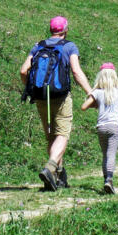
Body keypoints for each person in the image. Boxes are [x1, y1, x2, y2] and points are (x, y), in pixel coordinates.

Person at [20, 16, 92, 191]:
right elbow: (76, 71)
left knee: (51, 136)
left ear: (51, 30)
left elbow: (23, 70)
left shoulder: (39, 45)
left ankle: (58, 176)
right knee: (62, 134)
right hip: (60, 97)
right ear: (65, 30)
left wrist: (31, 89)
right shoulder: (69, 46)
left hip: (40, 96)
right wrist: (90, 92)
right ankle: (51, 167)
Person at [81, 63, 118, 194]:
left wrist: (97, 104)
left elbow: (83, 106)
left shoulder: (97, 92)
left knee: (105, 155)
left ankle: (106, 180)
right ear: (114, 77)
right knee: (111, 154)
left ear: (101, 77)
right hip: (115, 126)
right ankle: (109, 180)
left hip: (101, 127)